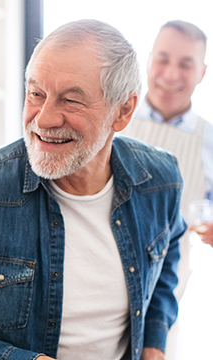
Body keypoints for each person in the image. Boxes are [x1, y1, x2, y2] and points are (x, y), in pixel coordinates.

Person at [0, 19, 185, 360]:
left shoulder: (161, 180)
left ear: (123, 111)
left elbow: (164, 268)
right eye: (36, 94)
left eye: (71, 101)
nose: (43, 119)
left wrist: (153, 346)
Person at [121, 19, 213, 290]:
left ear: (202, 72)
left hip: (171, 288)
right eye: (163, 59)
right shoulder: (112, 119)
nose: (171, 74)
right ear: (148, 61)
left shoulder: (209, 139)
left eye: (186, 64)